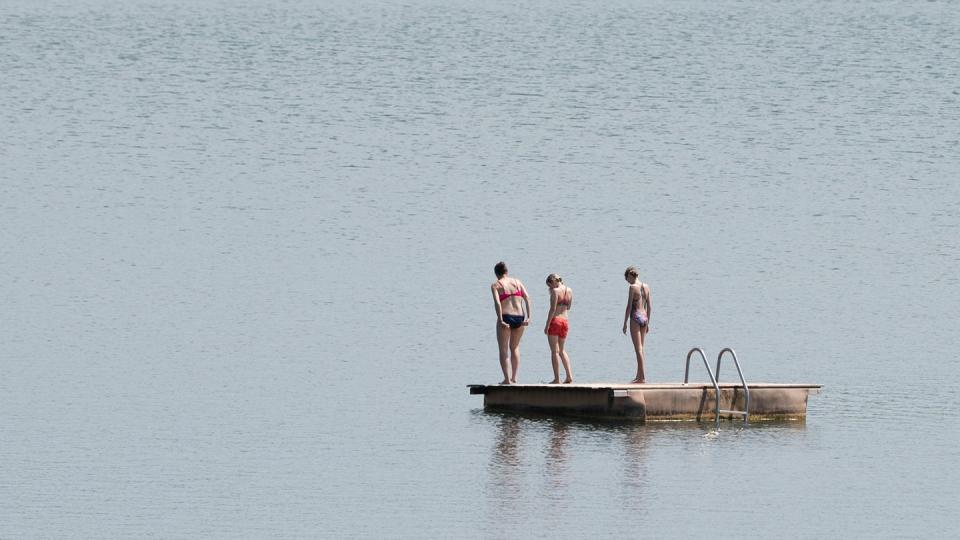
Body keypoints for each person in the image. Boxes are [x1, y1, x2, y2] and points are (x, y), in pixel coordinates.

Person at [491, 262, 531, 384]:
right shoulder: (517, 282)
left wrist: (501, 319)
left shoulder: (496, 285)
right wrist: (529, 317)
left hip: (506, 316)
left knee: (503, 349)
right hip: (520, 316)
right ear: (506, 271)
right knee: (515, 347)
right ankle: (514, 377)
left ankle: (507, 379)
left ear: (496, 274)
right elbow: (527, 298)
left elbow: (497, 303)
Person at [622, 266, 652, 383]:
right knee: (641, 348)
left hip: (635, 317)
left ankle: (642, 378)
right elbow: (649, 306)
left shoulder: (632, 287)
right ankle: (639, 375)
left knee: (638, 348)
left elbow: (629, 306)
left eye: (627, 279)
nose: (627, 282)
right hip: (644, 317)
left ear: (630, 276)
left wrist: (624, 322)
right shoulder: (646, 286)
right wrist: (648, 322)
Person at [544, 273, 573, 384]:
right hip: (565, 321)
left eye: (549, 286)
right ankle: (569, 376)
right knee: (561, 350)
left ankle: (557, 379)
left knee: (554, 351)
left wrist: (547, 325)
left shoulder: (555, 292)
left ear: (553, 281)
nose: (550, 288)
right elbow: (569, 307)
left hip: (555, 321)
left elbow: (552, 309)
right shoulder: (569, 290)